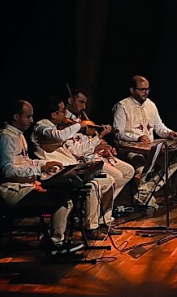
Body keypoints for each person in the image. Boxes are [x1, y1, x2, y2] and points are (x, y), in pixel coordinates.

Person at [0, 99, 84, 255]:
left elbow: (25, 161)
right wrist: (38, 170)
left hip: (25, 186)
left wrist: (44, 163)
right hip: (12, 191)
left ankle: (52, 240)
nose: (31, 120)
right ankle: (54, 244)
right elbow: (7, 171)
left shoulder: (18, 136)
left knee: (65, 195)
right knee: (62, 199)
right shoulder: (5, 138)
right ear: (16, 117)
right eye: (28, 117)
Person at [33, 94, 123, 239]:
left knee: (109, 180)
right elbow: (58, 136)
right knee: (95, 185)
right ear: (55, 114)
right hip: (53, 174)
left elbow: (77, 151)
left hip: (69, 170)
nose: (65, 115)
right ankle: (89, 228)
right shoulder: (41, 127)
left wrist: (97, 138)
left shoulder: (59, 128)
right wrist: (78, 125)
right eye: (63, 112)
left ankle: (101, 222)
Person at [111, 75, 177, 206]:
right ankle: (145, 196)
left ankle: (144, 192)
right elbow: (117, 132)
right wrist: (136, 137)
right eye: (142, 89)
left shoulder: (151, 105)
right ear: (132, 90)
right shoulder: (122, 106)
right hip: (130, 150)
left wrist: (170, 133)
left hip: (150, 150)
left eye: (147, 89)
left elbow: (159, 127)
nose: (146, 92)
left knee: (173, 162)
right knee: (141, 166)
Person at [64, 87, 136, 216]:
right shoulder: (65, 124)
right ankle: (96, 213)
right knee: (117, 176)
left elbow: (87, 141)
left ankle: (99, 210)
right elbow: (76, 150)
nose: (84, 107)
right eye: (81, 102)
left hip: (93, 154)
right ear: (70, 100)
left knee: (128, 171)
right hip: (84, 160)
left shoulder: (80, 118)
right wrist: (98, 140)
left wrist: (102, 146)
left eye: (85, 103)